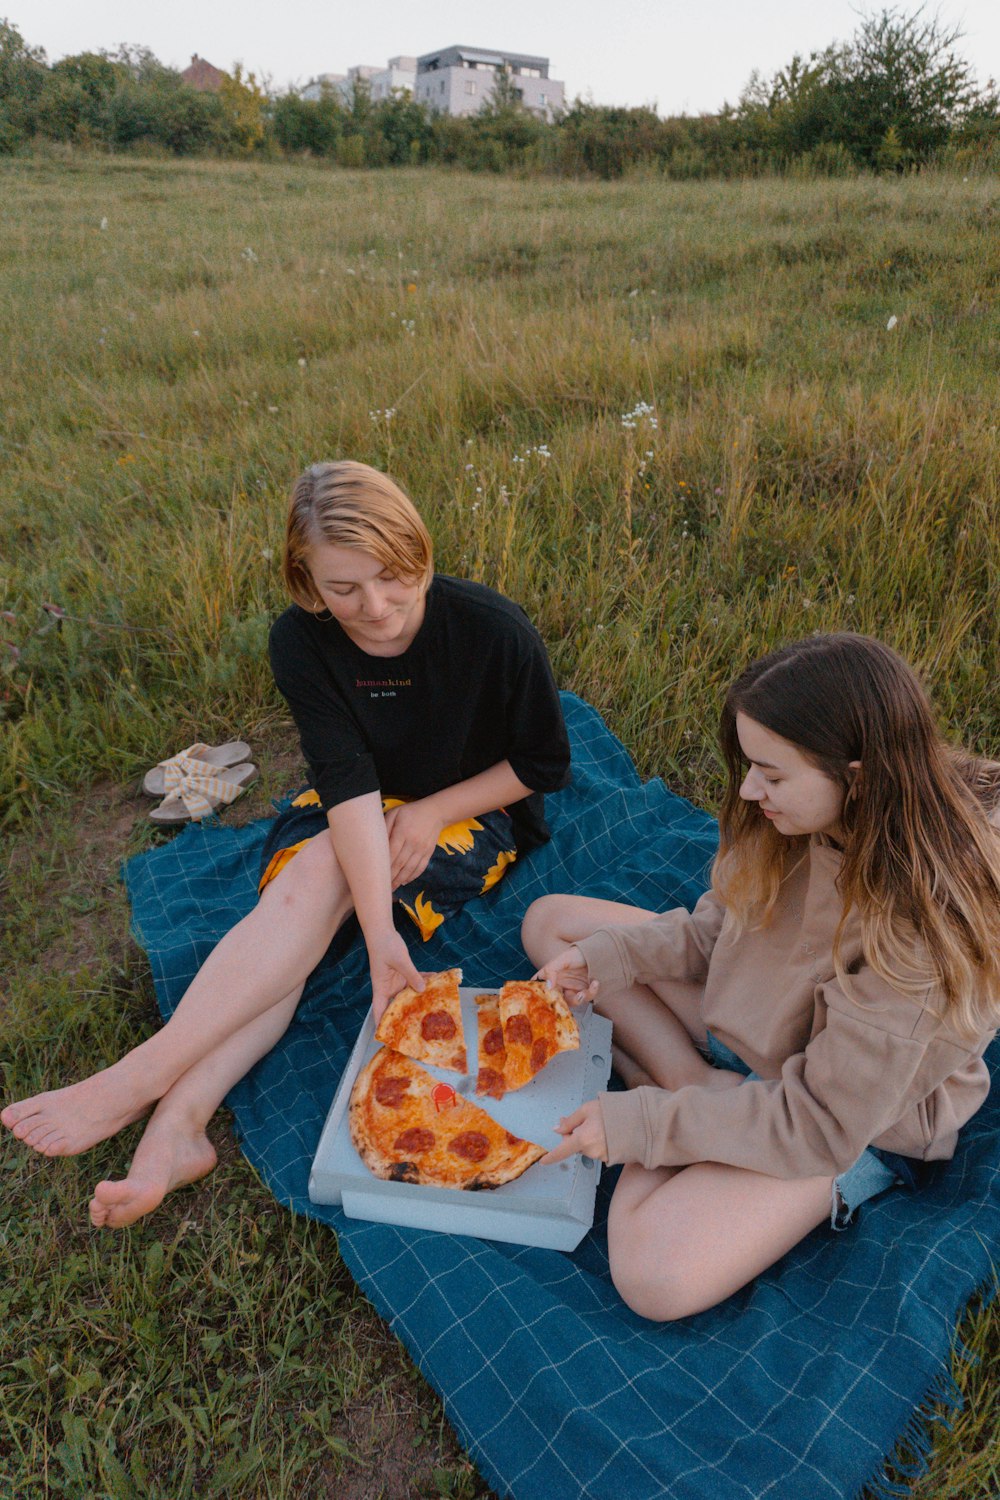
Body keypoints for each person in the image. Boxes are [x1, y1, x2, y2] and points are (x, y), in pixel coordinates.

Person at [2, 460, 571, 1226]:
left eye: (393, 577)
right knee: (307, 897)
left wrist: (432, 812)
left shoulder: (492, 630)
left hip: (471, 809)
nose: (375, 608)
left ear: (422, 555)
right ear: (305, 582)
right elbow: (346, 784)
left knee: (302, 915)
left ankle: (154, 1086)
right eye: (344, 589)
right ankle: (175, 1120)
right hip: (356, 801)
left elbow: (542, 766)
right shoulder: (299, 642)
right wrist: (379, 935)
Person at [523, 633, 1000, 1322]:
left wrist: (644, 1126)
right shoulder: (797, 814)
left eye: (772, 776)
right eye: (750, 766)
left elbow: (822, 1121)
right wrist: (612, 959)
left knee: (652, 1273)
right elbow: (721, 929)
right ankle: (695, 1086)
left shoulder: (921, 936)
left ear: (859, 777)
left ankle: (687, 1102)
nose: (749, 789)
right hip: (756, 1023)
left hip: (841, 1117)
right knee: (554, 928)